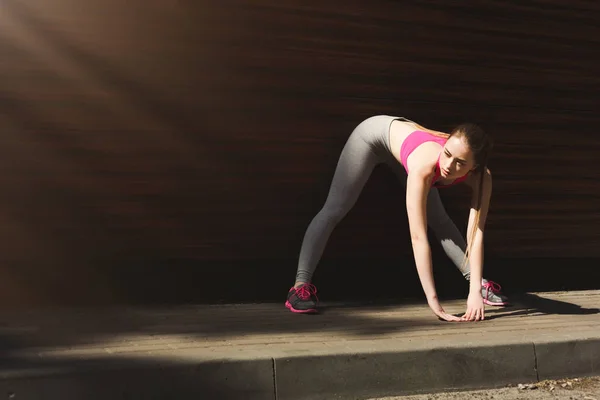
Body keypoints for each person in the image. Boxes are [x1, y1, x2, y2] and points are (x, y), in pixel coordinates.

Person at [285, 115, 509, 322]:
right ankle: (299, 286)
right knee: (334, 208)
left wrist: (474, 294)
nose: (449, 165)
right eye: (448, 154)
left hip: (407, 151)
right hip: (372, 137)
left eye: (460, 163)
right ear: (446, 144)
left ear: (475, 167)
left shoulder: (482, 178)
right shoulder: (425, 167)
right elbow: (418, 237)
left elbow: (476, 234)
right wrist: (434, 303)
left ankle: (478, 283)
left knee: (440, 220)